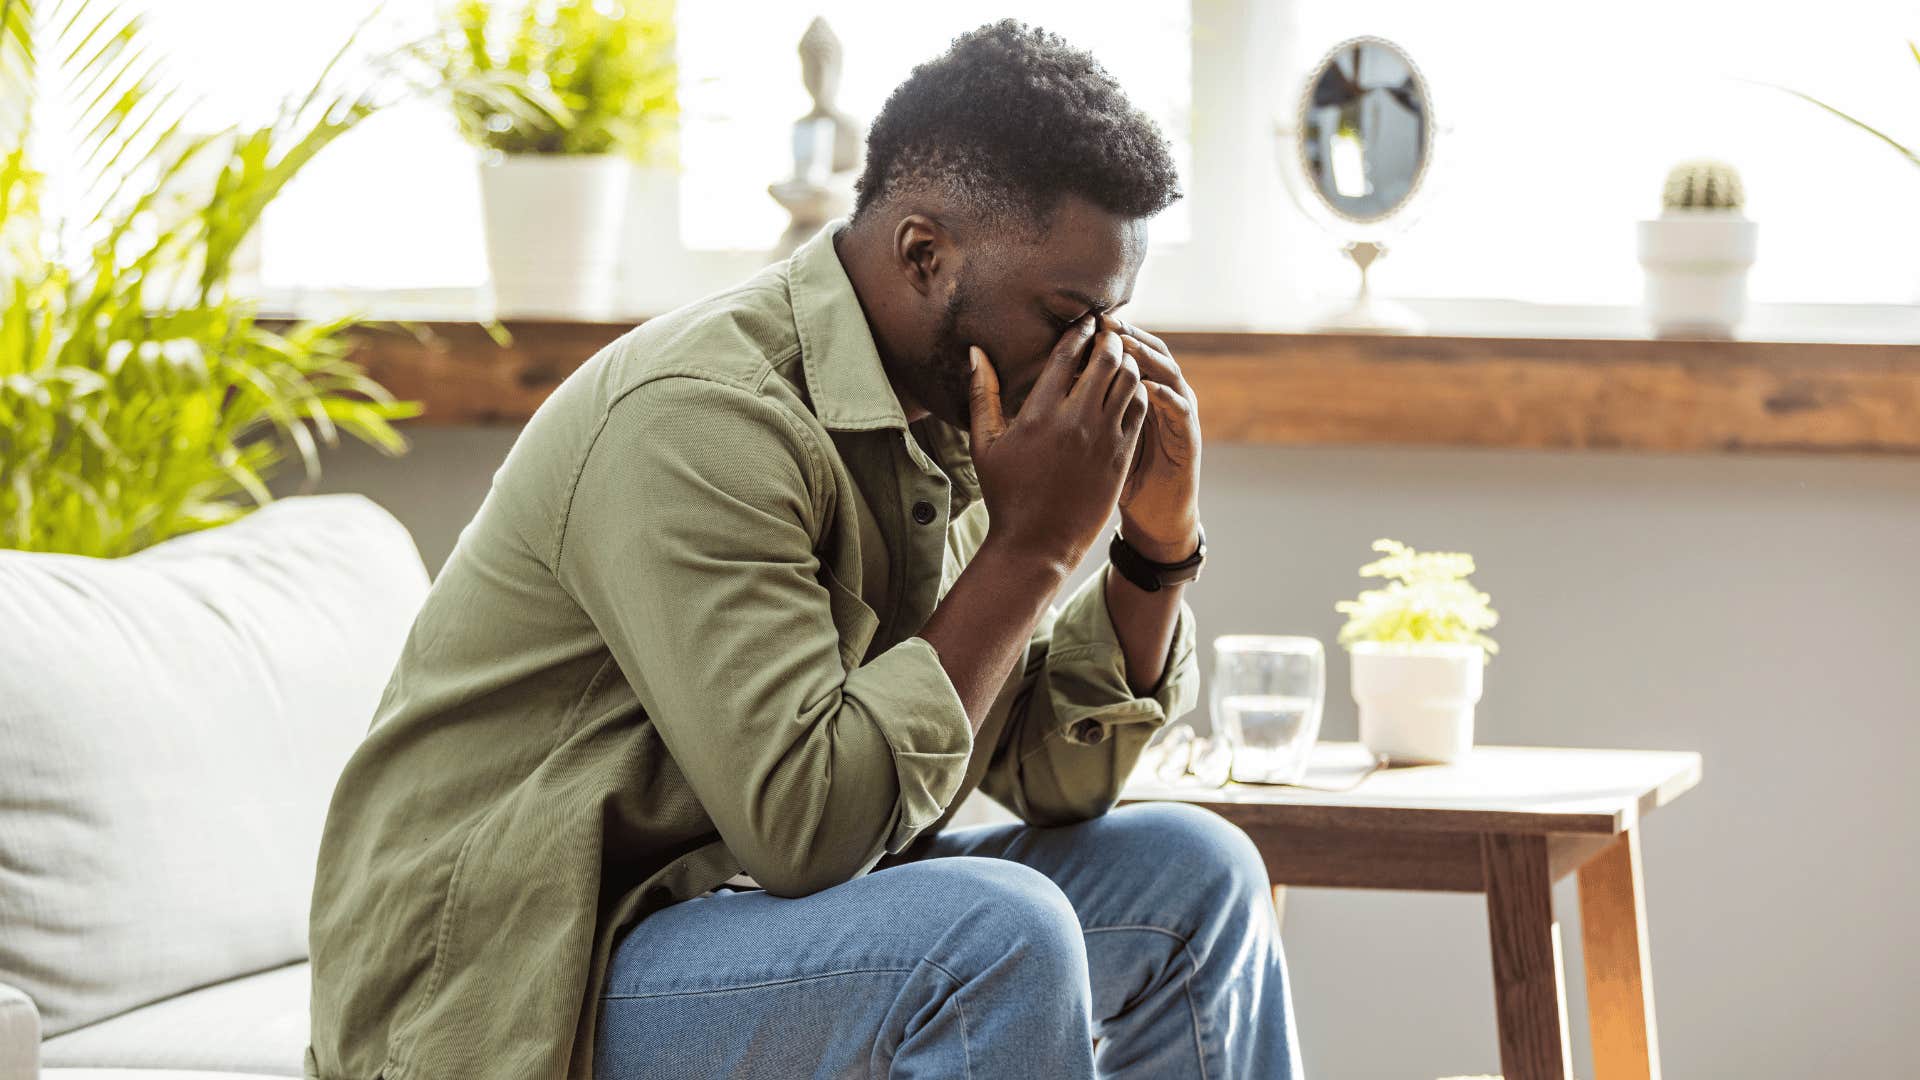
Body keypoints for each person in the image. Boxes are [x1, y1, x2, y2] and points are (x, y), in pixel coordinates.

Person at [305, 19, 1301, 1080]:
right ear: (925, 255)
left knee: (1197, 878)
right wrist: (1032, 550)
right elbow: (809, 827)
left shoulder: (950, 412)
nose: (1094, 361)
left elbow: (1049, 777)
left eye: (1111, 320)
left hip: (736, 917)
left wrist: (1154, 544)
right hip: (524, 969)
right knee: (996, 937)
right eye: (1068, 316)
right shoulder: (700, 420)